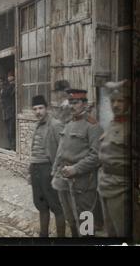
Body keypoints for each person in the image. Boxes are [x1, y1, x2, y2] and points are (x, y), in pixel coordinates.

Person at [51, 89, 103, 236]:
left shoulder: (93, 126)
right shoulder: (68, 124)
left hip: (83, 182)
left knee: (85, 222)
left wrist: (76, 169)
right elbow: (61, 150)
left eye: (77, 103)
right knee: (71, 220)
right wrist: (55, 171)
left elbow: (96, 156)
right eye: (71, 102)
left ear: (85, 104)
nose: (72, 106)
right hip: (64, 179)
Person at [98, 80, 131, 237]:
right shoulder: (112, 124)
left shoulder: (132, 127)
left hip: (121, 189)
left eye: (120, 101)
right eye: (113, 101)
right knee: (110, 233)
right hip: (105, 185)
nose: (116, 105)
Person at [30, 95, 66, 237]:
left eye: (40, 108)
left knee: (56, 207)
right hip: (36, 170)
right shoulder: (36, 125)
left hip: (48, 169)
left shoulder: (55, 125)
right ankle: (43, 236)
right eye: (35, 109)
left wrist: (57, 172)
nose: (38, 112)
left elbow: (62, 150)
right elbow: (34, 149)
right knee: (41, 206)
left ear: (47, 109)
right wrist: (30, 171)